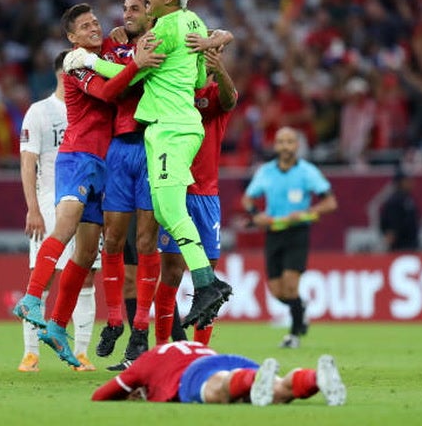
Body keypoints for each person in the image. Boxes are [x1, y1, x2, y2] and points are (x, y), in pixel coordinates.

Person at [64, 0, 233, 330]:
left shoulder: (164, 31)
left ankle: (207, 283)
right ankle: (207, 283)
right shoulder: (193, 22)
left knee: (170, 210)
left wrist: (89, 61)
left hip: (171, 129)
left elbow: (131, 72)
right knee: (165, 209)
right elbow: (198, 78)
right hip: (172, 129)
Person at [12, 3, 163, 367]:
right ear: (72, 37)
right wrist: (137, 64)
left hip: (103, 163)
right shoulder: (75, 62)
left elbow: (121, 60)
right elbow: (108, 93)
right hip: (77, 157)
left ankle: (56, 325)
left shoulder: (106, 52)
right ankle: (31, 298)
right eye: (85, 26)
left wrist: (127, 43)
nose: (94, 28)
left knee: (85, 252)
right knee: (65, 227)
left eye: (96, 22)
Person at [93, 0, 165, 366]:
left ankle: (140, 333)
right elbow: (109, 91)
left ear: (150, 13)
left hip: (153, 146)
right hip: (120, 148)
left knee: (146, 241)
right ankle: (114, 321)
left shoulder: (163, 44)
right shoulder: (113, 47)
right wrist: (132, 61)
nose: (127, 14)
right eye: (125, 8)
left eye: (135, 8)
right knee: (113, 239)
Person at [17, 50, 99, 373]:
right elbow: (28, 162)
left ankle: (81, 353)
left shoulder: (91, 108)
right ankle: (30, 353)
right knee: (44, 274)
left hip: (86, 200)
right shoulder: (39, 112)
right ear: (62, 74)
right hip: (49, 201)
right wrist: (32, 208)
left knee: (86, 273)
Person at [155, 36, 237, 348]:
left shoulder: (215, 94)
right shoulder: (174, 92)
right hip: (176, 189)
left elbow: (230, 100)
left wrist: (221, 69)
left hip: (206, 196)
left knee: (208, 278)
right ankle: (163, 347)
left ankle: (201, 349)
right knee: (171, 273)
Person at [241, 127, 337, 349]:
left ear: (297, 145)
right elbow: (248, 199)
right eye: (281, 142)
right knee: (277, 291)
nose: (285, 146)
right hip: (273, 232)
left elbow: (330, 202)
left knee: (291, 285)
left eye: (290, 142)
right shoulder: (266, 171)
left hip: (297, 232)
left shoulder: (307, 172)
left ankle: (294, 335)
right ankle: (300, 308)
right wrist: (257, 215)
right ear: (275, 145)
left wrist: (306, 213)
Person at [91, 340, 346, 407]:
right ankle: (316, 378)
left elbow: (100, 396)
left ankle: (252, 381)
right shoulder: (189, 346)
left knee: (219, 390)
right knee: (278, 392)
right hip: (226, 359)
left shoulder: (144, 362)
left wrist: (128, 393)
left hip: (194, 373)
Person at [379, 167, 420, 251]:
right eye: (407, 180)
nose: (411, 183)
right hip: (400, 247)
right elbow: (389, 226)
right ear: (400, 182)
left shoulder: (408, 199)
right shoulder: (394, 201)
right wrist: (391, 237)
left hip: (411, 244)